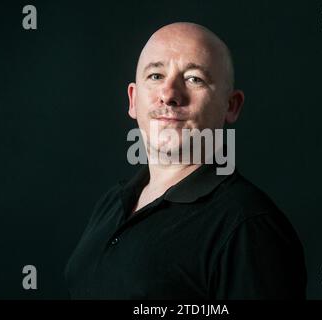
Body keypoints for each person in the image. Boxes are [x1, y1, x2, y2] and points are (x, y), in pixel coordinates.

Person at [64, 22, 307, 299]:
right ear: (133, 100)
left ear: (231, 106)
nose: (169, 94)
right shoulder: (113, 202)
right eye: (156, 75)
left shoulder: (249, 227)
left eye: (194, 79)